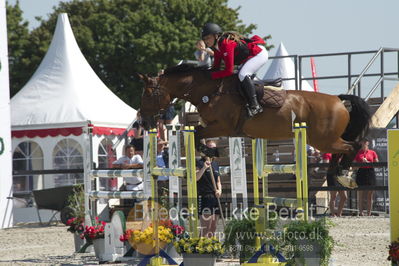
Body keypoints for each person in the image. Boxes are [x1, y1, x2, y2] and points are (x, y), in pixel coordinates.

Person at [201, 22, 268, 117]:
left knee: (243, 74)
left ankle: (255, 105)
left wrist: (211, 76)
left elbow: (229, 71)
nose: (206, 41)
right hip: (247, 59)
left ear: (216, 36)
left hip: (258, 54)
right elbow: (215, 68)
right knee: (239, 76)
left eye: (208, 38)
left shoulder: (225, 44)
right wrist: (205, 74)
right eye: (204, 39)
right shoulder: (216, 48)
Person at [196, 140, 222, 237]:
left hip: (215, 197)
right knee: (205, 228)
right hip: (204, 196)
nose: (212, 149)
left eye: (214, 148)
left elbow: (218, 181)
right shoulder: (199, 162)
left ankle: (210, 248)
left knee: (213, 227)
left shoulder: (215, 164)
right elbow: (196, 178)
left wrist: (219, 190)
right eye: (210, 147)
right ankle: (199, 249)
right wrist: (204, 168)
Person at [354, 139, 378, 216]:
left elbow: (377, 162)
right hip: (361, 172)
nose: (364, 143)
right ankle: (360, 212)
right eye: (363, 142)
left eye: (365, 142)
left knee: (370, 194)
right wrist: (361, 163)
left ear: (368, 143)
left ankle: (369, 213)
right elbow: (354, 165)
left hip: (370, 172)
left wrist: (368, 162)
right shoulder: (358, 153)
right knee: (360, 193)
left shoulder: (372, 152)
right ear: (361, 143)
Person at [324, 153, 347, 217]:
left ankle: (339, 213)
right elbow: (326, 167)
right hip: (332, 175)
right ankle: (333, 214)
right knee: (333, 196)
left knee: (344, 197)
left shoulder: (341, 153)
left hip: (340, 175)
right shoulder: (327, 154)